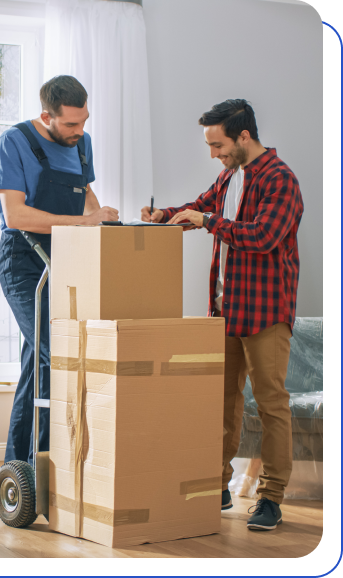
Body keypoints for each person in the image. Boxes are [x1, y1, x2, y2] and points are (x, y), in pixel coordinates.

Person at [141, 99, 303, 531]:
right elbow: (200, 207)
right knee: (221, 402)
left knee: (271, 404)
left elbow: (264, 236)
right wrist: (167, 215)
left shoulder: (281, 180)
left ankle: (271, 498)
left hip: (266, 312)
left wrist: (208, 219)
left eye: (218, 145)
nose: (214, 154)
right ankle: (217, 488)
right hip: (226, 311)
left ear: (244, 136)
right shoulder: (230, 176)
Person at [0, 75, 119, 466]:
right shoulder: (14, 142)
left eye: (84, 122)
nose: (79, 132)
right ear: (46, 115)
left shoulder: (83, 143)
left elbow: (86, 197)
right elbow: (15, 215)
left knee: (39, 361)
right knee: (58, 351)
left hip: (65, 259)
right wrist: (85, 223)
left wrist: (106, 221)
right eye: (70, 125)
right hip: (24, 262)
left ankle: (24, 465)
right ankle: (52, 460)